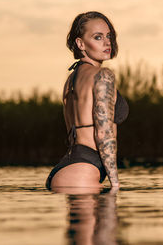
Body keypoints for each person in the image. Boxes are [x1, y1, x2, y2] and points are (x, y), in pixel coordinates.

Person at [45, 11, 129, 190]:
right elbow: (103, 133)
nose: (107, 42)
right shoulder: (103, 76)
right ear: (80, 43)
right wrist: (115, 183)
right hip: (82, 173)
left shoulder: (71, 81)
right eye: (98, 37)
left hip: (67, 169)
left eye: (109, 36)